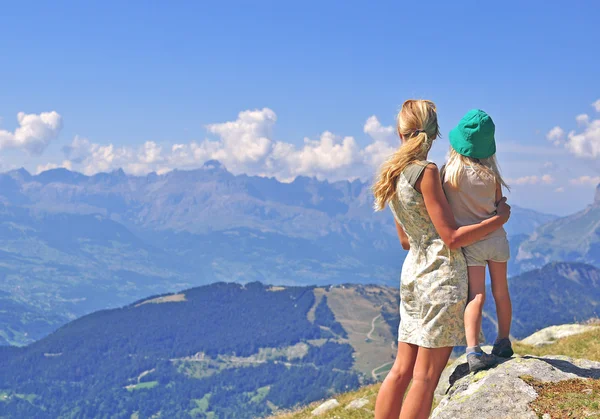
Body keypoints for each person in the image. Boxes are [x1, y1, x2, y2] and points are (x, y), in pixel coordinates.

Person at [372, 100, 511, 419]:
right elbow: (451, 237)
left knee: (400, 371)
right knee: (425, 377)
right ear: (435, 133)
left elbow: (405, 240)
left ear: (400, 132)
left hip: (412, 276)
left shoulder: (393, 173)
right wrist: (497, 219)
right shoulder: (427, 172)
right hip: (441, 278)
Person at [441, 109, 513, 373]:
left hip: (472, 243)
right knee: (501, 291)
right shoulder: (491, 176)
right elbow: (498, 205)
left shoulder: (448, 175)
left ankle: (473, 350)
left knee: (477, 294)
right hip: (497, 239)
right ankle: (503, 341)